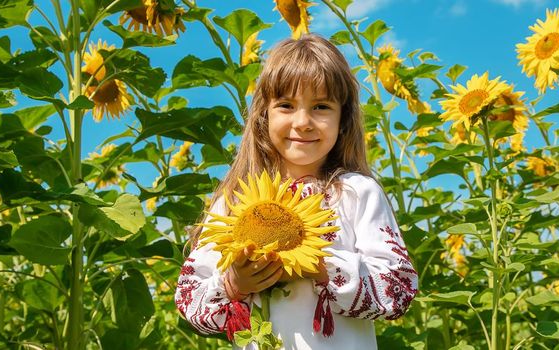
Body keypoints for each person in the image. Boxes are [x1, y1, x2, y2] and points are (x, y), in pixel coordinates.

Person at [174, 34, 418, 349]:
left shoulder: (356, 194)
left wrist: (323, 265)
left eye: (320, 106)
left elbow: (399, 290)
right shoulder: (235, 201)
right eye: (286, 105)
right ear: (264, 115)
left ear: (342, 119)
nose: (302, 122)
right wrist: (234, 284)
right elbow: (190, 298)